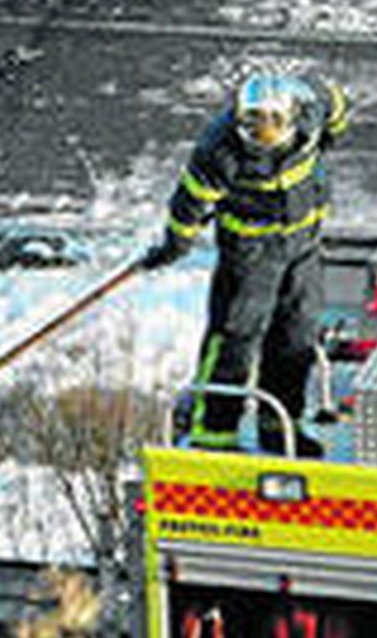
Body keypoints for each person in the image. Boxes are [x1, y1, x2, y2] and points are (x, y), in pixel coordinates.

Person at [143, 70, 351, 457]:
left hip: (304, 249)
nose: (263, 138)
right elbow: (189, 201)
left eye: (273, 128)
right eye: (254, 128)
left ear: (291, 116)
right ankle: (213, 433)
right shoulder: (219, 150)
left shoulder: (311, 110)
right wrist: (176, 243)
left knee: (295, 339)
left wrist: (334, 131)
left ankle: (280, 429)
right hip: (250, 255)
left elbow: (337, 101)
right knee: (235, 340)